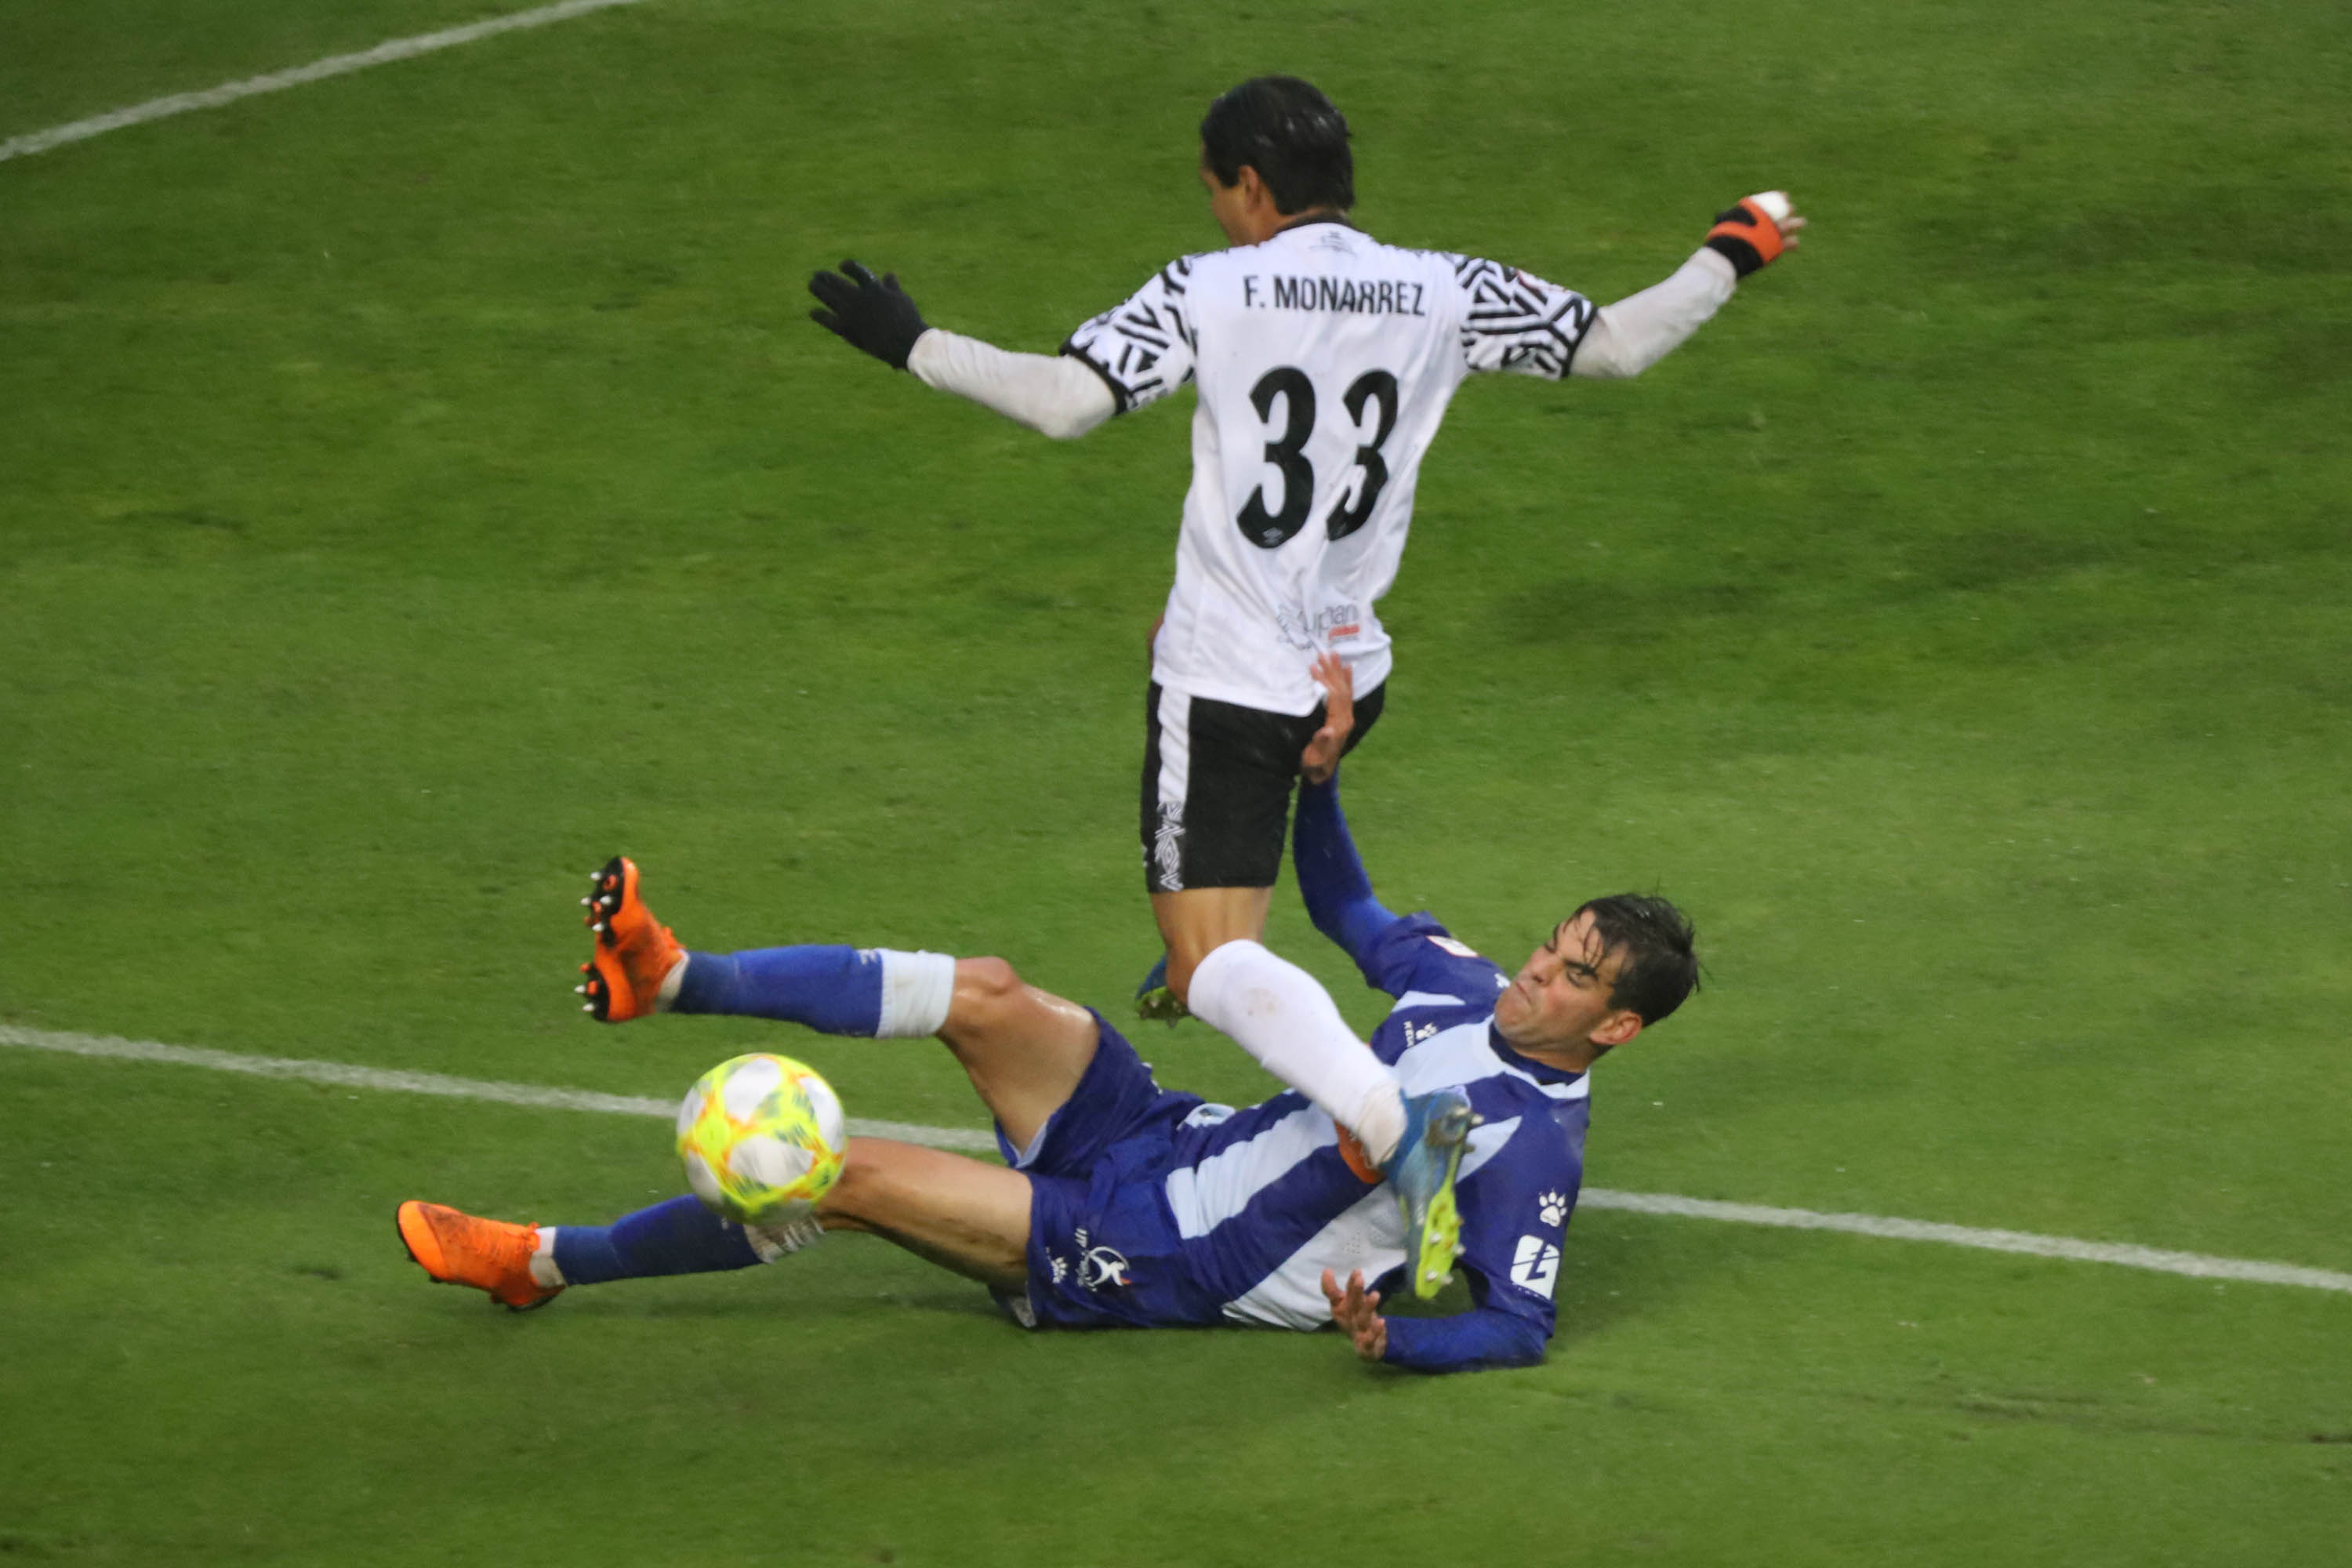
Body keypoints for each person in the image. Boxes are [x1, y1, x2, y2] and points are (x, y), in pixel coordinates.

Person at [803, 74, 1786, 1189]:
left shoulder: (1210, 288)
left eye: (1217, 189)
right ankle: (1235, 961)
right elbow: (1615, 344)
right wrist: (1731, 251)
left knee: (1212, 959)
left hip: (1227, 681)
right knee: (1215, 918)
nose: (1216, 211)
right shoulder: (1442, 288)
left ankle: (1392, 1128)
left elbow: (1066, 402)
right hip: (1348, 675)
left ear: (1253, 186)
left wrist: (913, 342)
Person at [396, 696, 1700, 1371]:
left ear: (1619, 1026)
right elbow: (1347, 907)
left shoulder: (1533, 1150)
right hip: (1166, 1135)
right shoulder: (1468, 991)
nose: (1536, 972)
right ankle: (678, 978)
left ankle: (539, 1262)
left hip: (1166, 1254)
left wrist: (1397, 1338)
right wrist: (1322, 781)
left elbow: (1516, 1324)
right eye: (1550, 945)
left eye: (1573, 976)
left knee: (838, 1178)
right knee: (989, 993)